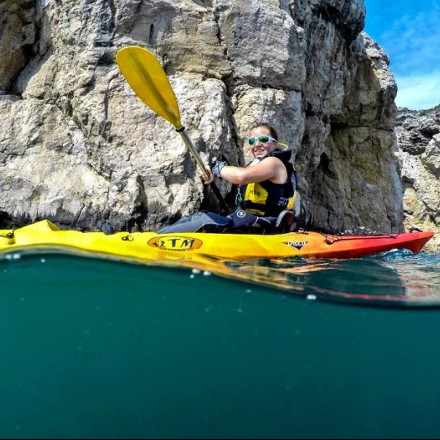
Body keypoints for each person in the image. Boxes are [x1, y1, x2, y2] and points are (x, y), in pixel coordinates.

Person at [157, 123, 300, 233]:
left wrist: (217, 167)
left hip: (264, 223)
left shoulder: (274, 163)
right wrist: (214, 178)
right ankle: (155, 236)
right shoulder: (258, 165)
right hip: (250, 220)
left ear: (274, 143)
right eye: (252, 141)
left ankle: (155, 241)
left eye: (263, 139)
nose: (256, 144)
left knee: (205, 220)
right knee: (200, 215)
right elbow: (242, 184)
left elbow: (241, 177)